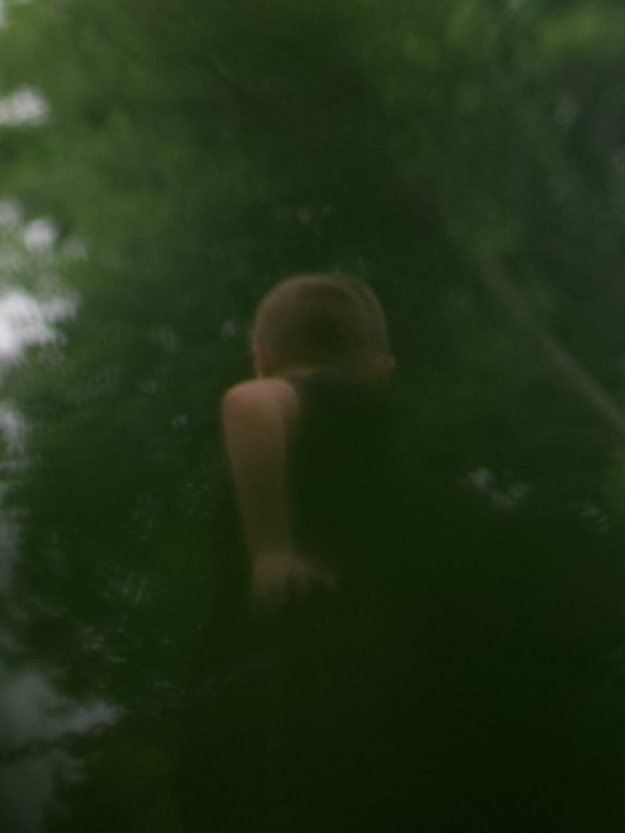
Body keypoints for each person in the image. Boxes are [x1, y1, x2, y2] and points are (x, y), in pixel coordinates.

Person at [179, 272, 428, 833]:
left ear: (261, 357)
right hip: (334, 674)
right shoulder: (363, 409)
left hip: (273, 679)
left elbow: (249, 399)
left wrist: (270, 549)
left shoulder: (325, 400)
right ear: (379, 371)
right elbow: (249, 407)